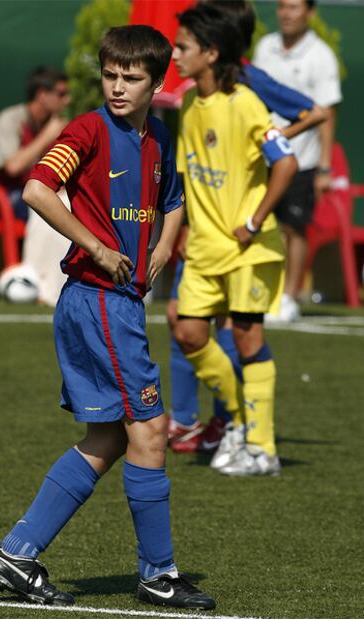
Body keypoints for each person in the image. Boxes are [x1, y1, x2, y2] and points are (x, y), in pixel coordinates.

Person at [0, 25, 215, 611]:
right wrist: (97, 245)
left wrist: (162, 249)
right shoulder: (87, 129)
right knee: (152, 432)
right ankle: (158, 574)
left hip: (121, 305)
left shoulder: (160, 138)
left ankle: (18, 553)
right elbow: (38, 190)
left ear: (155, 83)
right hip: (97, 301)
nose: (116, 87)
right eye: (110, 75)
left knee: (111, 437)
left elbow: (174, 199)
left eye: (130, 78)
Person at [167, 0, 327, 455]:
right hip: (202, 238)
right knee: (186, 325)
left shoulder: (248, 91)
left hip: (241, 240)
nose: (175, 55)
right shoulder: (192, 103)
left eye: (183, 46)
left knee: (241, 332)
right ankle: (222, 418)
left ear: (214, 49)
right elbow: (190, 173)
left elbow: (309, 120)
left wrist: (257, 156)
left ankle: (242, 432)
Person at [253, 0, 342, 321]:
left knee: (294, 228)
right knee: (261, 224)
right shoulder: (265, 47)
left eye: (293, 7)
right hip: (261, 156)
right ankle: (261, 291)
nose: (286, 13)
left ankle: (289, 297)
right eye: (282, 7)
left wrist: (324, 166)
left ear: (310, 13)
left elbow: (327, 114)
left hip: (301, 160)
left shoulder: (321, 57)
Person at [0, 66, 72, 306]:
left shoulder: (54, 124)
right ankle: (34, 285)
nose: (67, 100)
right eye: (61, 94)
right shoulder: (10, 119)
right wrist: (48, 136)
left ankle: (59, 288)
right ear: (42, 94)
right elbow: (12, 167)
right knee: (44, 202)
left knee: (68, 203)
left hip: (30, 193)